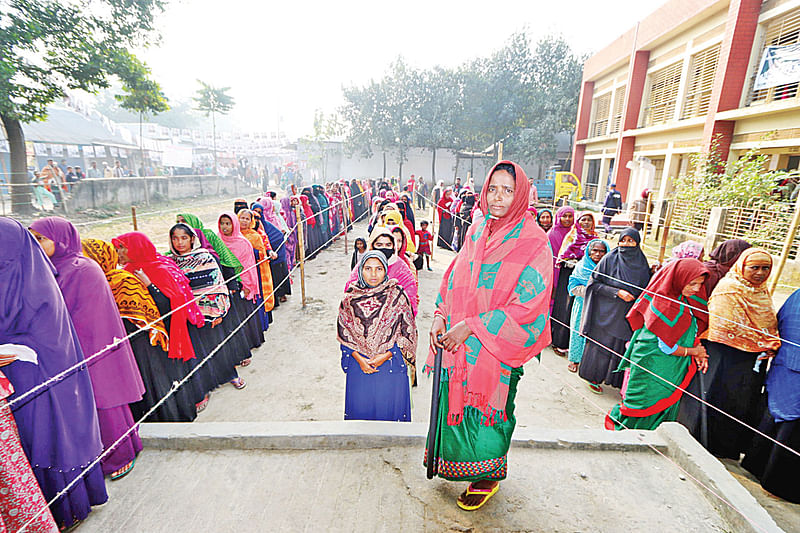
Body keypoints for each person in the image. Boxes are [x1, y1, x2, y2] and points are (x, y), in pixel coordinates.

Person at [426, 161, 553, 511]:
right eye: (493, 188)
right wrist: (440, 315)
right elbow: (454, 276)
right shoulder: (478, 227)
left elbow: (530, 304)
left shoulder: (534, 242)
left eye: (507, 190)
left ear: (522, 194)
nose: (498, 198)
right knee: (458, 405)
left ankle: (488, 474)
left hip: (495, 349)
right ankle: (456, 462)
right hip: (456, 343)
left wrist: (472, 327)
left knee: (489, 412)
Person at [1, 218, 106, 530]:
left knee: (45, 438)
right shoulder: (11, 276)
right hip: (14, 380)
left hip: (38, 379)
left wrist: (17, 349)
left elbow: (49, 339)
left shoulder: (35, 285)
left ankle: (65, 510)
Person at [29, 217, 145, 480]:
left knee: (105, 402)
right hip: (75, 347)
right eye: (33, 240)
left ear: (61, 239)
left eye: (42, 239)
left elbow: (84, 317)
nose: (36, 245)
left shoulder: (81, 269)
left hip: (93, 348)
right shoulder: (52, 267)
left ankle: (120, 455)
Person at [81, 238, 198, 423]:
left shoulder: (127, 280)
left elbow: (169, 306)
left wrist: (150, 286)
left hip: (143, 342)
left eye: (123, 248)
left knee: (153, 383)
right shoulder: (111, 278)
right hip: (123, 345)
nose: (120, 253)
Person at [606, 259, 710, 430]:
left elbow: (687, 330)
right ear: (678, 279)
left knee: (659, 409)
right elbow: (666, 347)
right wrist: (693, 351)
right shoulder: (665, 304)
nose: (697, 289)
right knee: (645, 406)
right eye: (692, 284)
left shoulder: (683, 300)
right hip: (654, 365)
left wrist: (698, 350)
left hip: (667, 366)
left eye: (700, 284)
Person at [701, 248, 780, 459]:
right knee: (721, 401)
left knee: (743, 404)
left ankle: (729, 448)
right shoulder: (728, 289)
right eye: (754, 268)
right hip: (726, 357)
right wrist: (758, 341)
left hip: (753, 360)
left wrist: (766, 342)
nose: (760, 273)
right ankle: (709, 445)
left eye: (766, 268)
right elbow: (723, 325)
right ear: (742, 267)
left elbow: (769, 326)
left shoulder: (762, 292)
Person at [337, 251, 417, 421]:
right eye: (368, 268)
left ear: (386, 270)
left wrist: (385, 356)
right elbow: (344, 334)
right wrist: (360, 359)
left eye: (379, 269)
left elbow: (408, 333)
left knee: (389, 412)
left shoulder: (397, 295)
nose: (373, 274)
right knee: (361, 416)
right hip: (360, 367)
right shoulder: (349, 299)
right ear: (360, 270)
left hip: (390, 365)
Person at [742, 288, 800, 503]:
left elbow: (781, 322)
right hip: (793, 369)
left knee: (775, 416)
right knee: (792, 428)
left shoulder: (797, 295)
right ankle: (780, 486)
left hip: (785, 364)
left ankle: (756, 466)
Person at [579, 228, 651, 393]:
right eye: (623, 241)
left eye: (630, 241)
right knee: (600, 346)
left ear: (637, 243)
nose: (626, 244)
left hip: (626, 316)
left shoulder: (642, 264)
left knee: (619, 346)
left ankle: (613, 380)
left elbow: (647, 288)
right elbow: (594, 284)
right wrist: (617, 292)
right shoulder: (609, 260)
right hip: (604, 313)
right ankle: (592, 377)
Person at [551, 211, 597, 356]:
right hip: (569, 274)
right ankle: (560, 342)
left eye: (589, 220)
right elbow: (563, 255)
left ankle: (576, 347)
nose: (586, 222)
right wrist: (571, 261)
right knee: (565, 309)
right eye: (583, 219)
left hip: (588, 278)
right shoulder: (572, 236)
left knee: (580, 313)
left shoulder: (595, 238)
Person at [345, 227, 419, 316]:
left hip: (393, 321)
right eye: (379, 245)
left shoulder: (402, 269)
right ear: (372, 246)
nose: (384, 249)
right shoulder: (362, 265)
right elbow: (350, 292)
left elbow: (410, 297)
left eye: (388, 245)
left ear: (393, 246)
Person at [566, 239, 610, 373]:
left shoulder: (608, 268)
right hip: (582, 304)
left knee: (594, 334)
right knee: (577, 331)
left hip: (600, 307)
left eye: (602, 251)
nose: (598, 254)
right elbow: (573, 286)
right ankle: (574, 359)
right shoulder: (581, 266)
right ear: (588, 251)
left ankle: (587, 361)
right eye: (594, 250)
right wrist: (592, 291)